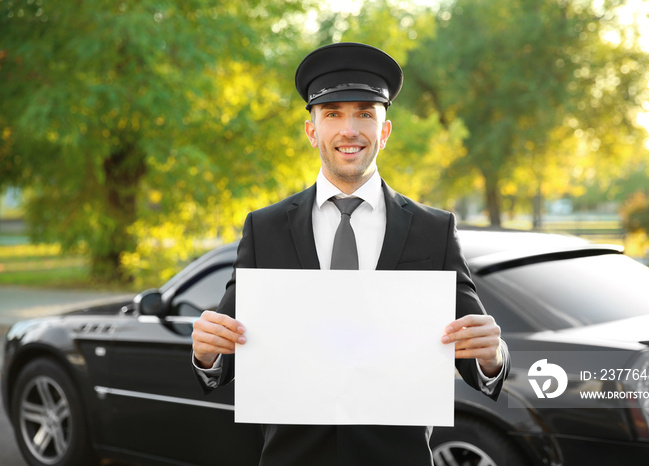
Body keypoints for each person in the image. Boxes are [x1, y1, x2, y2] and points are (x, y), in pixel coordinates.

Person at [191, 42, 510, 466]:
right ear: (311, 131)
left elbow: (476, 362)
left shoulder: (434, 230)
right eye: (332, 114)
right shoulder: (264, 228)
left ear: (385, 131)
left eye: (364, 112)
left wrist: (492, 356)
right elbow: (225, 357)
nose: (349, 130)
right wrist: (207, 352)